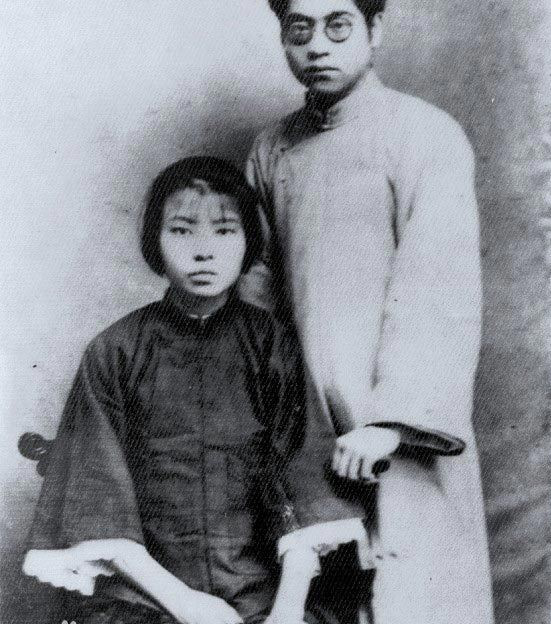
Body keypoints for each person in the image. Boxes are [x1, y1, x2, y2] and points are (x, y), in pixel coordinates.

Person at [243, 0, 494, 623]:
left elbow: (437, 289)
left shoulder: (424, 135)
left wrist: (391, 423)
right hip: (303, 431)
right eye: (299, 31)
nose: (317, 47)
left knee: (412, 597)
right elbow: (258, 296)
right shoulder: (270, 151)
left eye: (338, 26)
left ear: (374, 29)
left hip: (397, 432)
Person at [23, 156, 369, 624]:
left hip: (262, 596)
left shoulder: (271, 345)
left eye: (224, 231)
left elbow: (304, 483)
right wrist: (186, 604)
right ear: (155, 242)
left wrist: (286, 611)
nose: (203, 252)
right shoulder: (114, 351)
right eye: (182, 231)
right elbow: (98, 501)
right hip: (144, 598)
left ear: (248, 242)